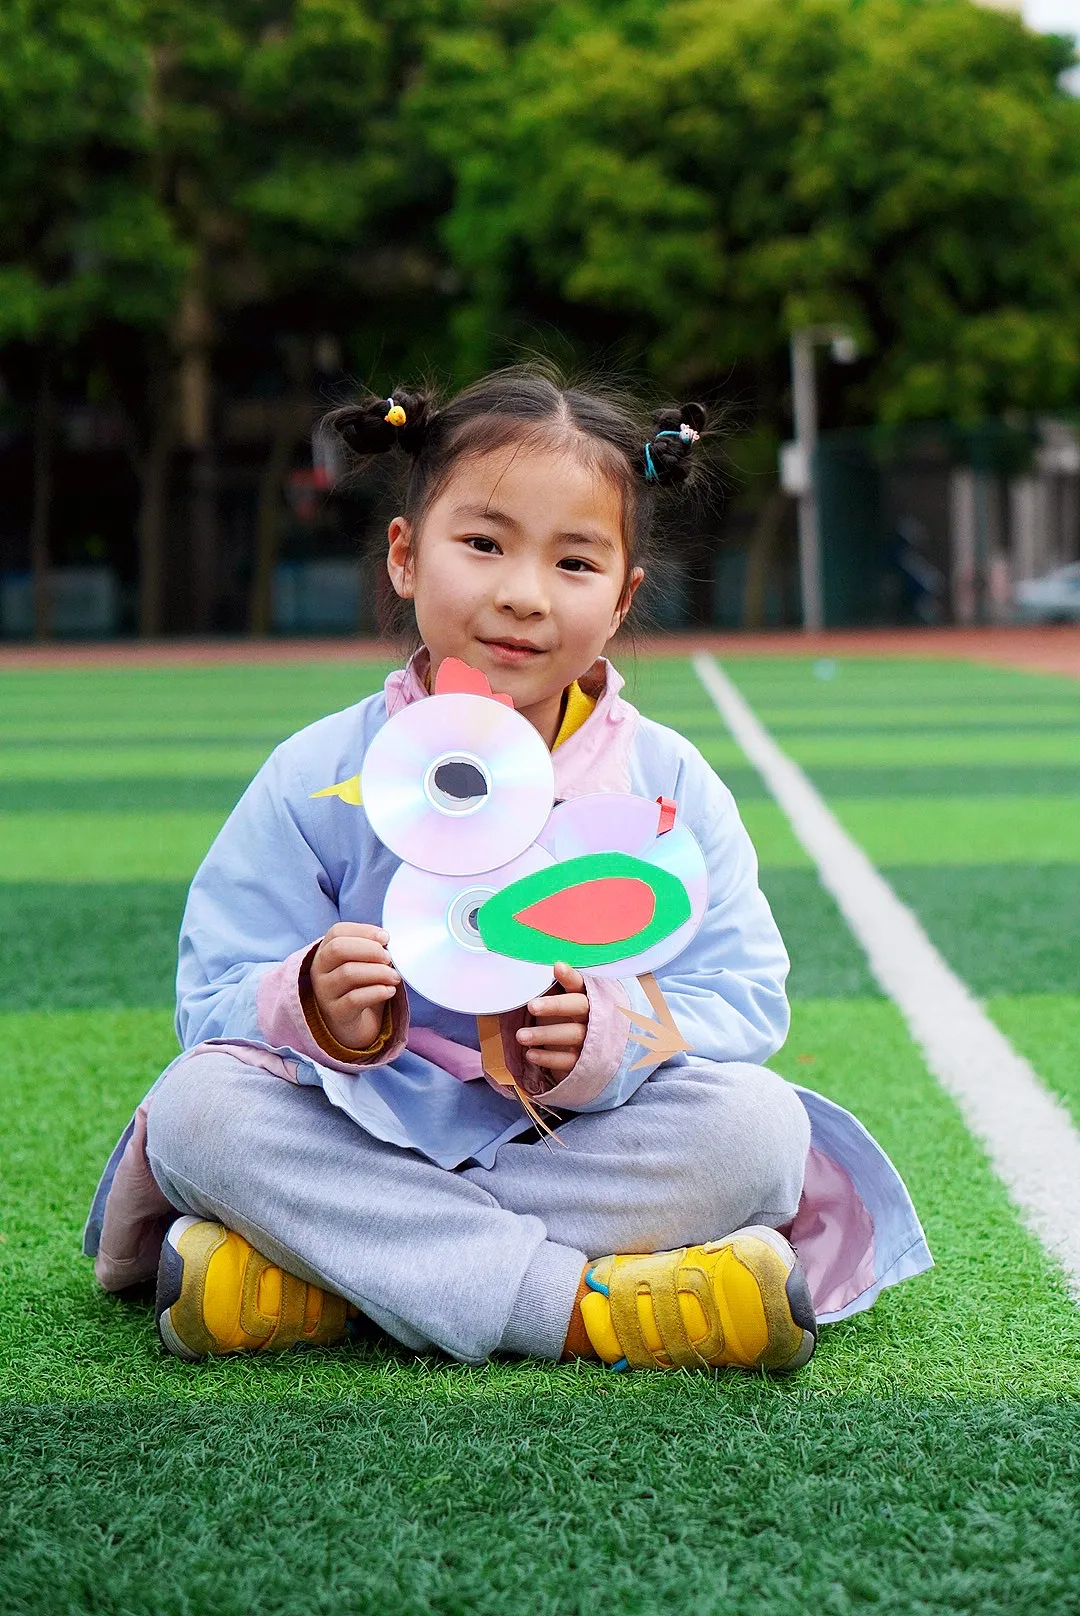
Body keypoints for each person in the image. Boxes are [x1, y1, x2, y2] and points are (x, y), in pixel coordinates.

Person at [83, 363, 931, 1372]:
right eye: (483, 543)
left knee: (758, 1132)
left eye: (575, 563)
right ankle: (590, 1308)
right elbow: (212, 990)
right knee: (199, 1114)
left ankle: (327, 1281)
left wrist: (607, 1038)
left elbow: (740, 996)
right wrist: (307, 999)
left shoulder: (664, 783)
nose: (522, 594)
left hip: (576, 1145)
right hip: (359, 1126)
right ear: (405, 555)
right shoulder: (316, 773)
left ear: (623, 599)